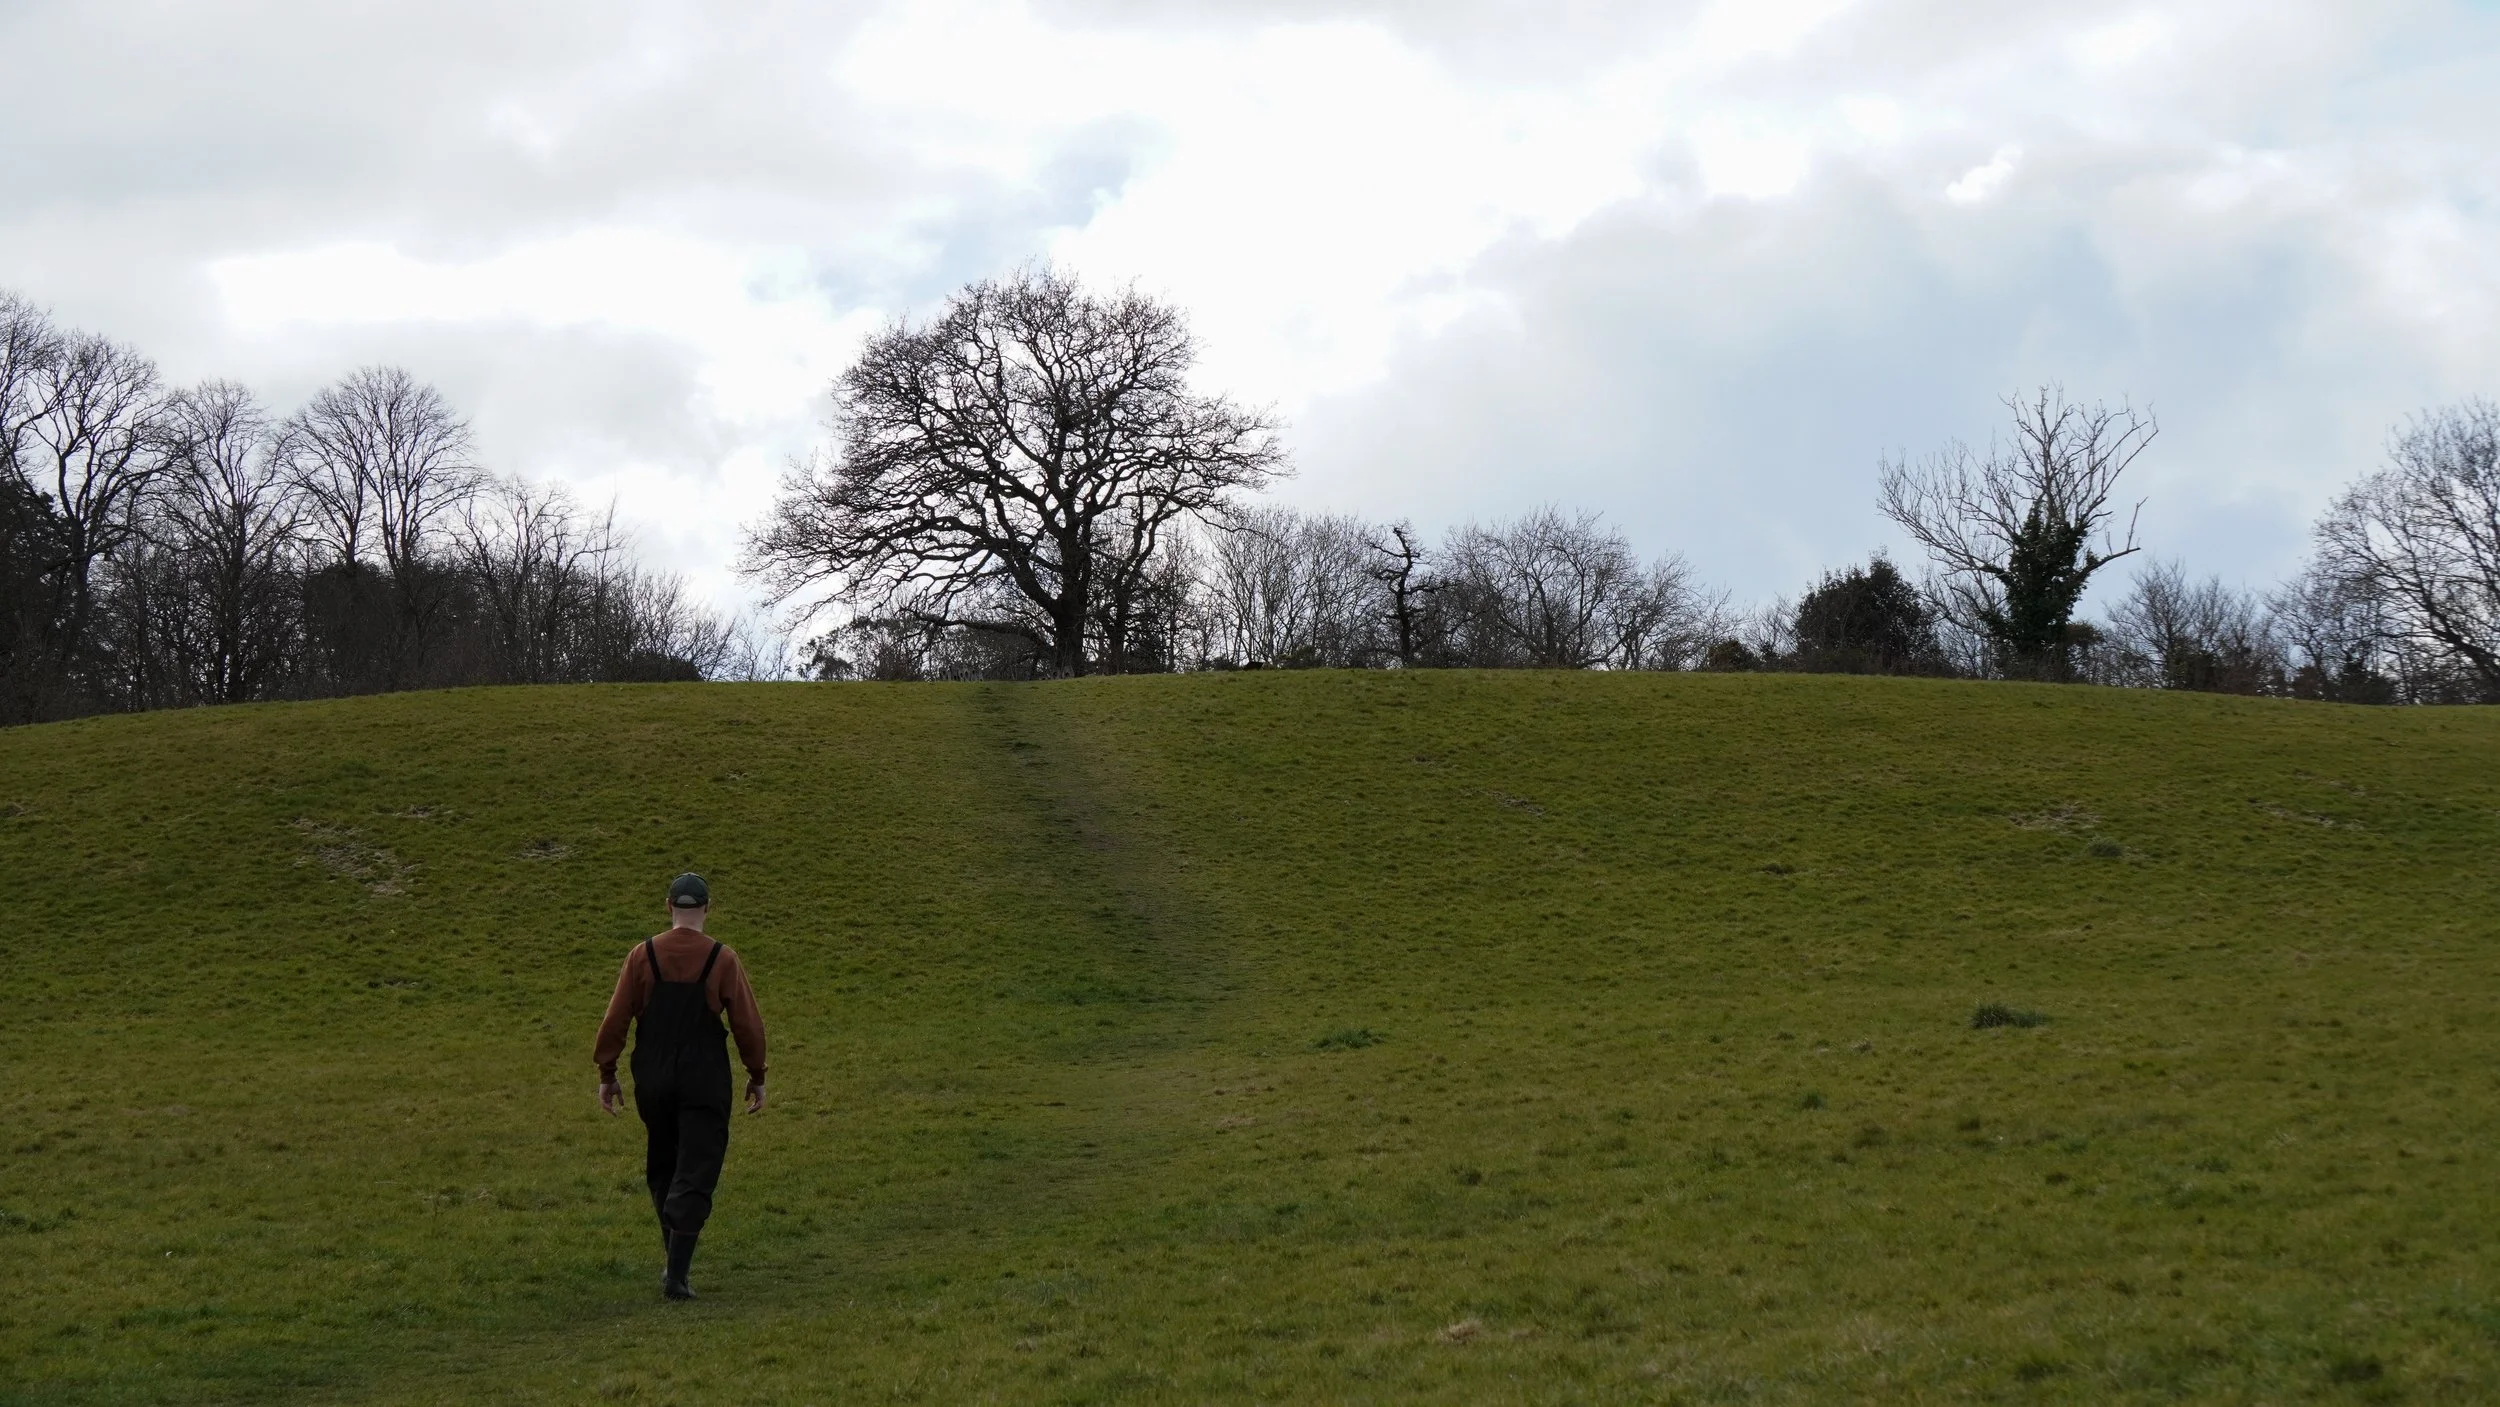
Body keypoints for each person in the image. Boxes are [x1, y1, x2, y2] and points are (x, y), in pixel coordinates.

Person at [592, 873, 769, 1300]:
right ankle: (677, 1274)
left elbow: (615, 1020)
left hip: (652, 1073)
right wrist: (756, 1074)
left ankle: (672, 1260)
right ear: (707, 909)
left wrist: (608, 1074)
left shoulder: (642, 956)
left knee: (663, 1162)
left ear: (668, 905)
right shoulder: (723, 960)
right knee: (697, 1167)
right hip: (704, 1074)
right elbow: (747, 1024)